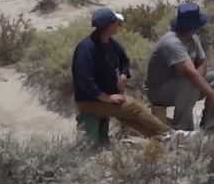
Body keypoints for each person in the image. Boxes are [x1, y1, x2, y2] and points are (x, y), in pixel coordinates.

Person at [73, 8, 170, 139]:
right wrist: (107, 98)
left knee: (129, 118)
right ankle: (168, 132)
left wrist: (124, 74)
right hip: (90, 101)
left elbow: (124, 60)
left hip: (107, 97)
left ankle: (161, 139)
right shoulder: (86, 49)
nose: (119, 25)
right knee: (133, 107)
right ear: (109, 26)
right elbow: (84, 80)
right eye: (116, 23)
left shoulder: (110, 43)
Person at [146, 3, 214, 133]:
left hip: (182, 86)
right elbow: (189, 73)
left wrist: (198, 78)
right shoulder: (172, 43)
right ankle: (183, 128)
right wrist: (211, 94)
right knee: (190, 81)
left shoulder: (193, 38)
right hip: (159, 91)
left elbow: (202, 61)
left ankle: (210, 124)